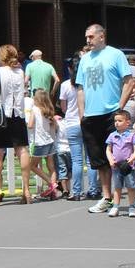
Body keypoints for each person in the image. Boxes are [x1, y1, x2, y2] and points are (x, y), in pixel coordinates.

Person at [77, 26, 134, 214]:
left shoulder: (115, 55)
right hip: (91, 116)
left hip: (111, 113)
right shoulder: (84, 59)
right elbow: (80, 88)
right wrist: (82, 115)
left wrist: (120, 107)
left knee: (119, 156)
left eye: (91, 36)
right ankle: (107, 197)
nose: (88, 40)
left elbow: (129, 81)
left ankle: (128, 197)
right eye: (86, 37)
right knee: (99, 160)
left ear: (102, 36)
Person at [0, 44, 32, 205]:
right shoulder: (20, 72)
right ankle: (26, 190)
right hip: (17, 114)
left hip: (0, 116)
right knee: (22, 150)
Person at [59, 52, 96, 201]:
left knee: (76, 160)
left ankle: (77, 191)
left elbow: (63, 108)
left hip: (71, 122)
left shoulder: (65, 85)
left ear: (69, 69)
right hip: (87, 121)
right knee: (90, 159)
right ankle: (93, 189)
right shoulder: (88, 84)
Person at [103, 110, 135, 217]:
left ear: (127, 122)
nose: (117, 123)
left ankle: (132, 206)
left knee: (131, 187)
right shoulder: (112, 135)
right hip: (116, 166)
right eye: (115, 121)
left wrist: (131, 159)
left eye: (120, 121)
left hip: (128, 166)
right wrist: (110, 160)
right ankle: (115, 207)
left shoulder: (131, 136)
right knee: (117, 187)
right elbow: (108, 149)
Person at [26, 88, 62, 200]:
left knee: (32, 166)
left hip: (39, 142)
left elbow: (31, 125)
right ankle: (54, 191)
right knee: (51, 167)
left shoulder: (35, 109)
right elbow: (54, 125)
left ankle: (50, 183)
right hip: (49, 141)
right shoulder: (49, 110)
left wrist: (26, 124)